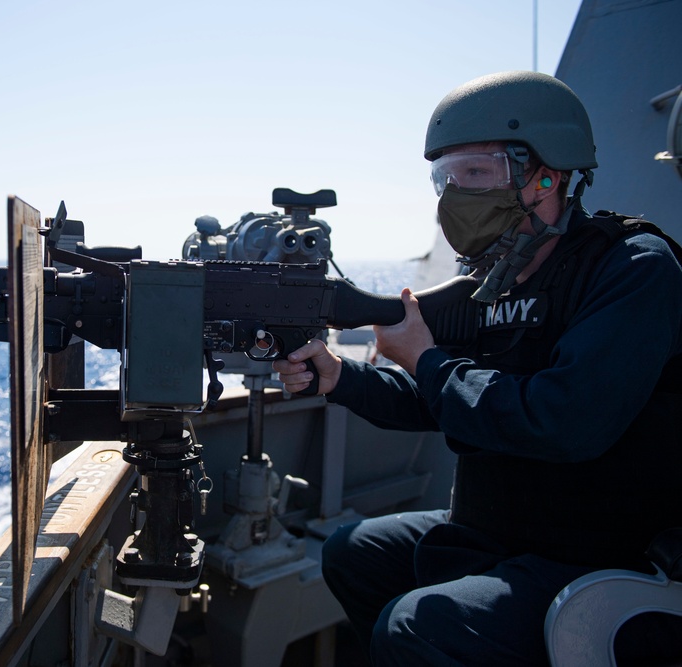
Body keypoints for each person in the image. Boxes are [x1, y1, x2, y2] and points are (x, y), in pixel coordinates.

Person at [273, 70, 682, 666]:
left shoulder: (633, 269)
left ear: (548, 175)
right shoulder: (497, 279)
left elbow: (562, 422)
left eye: (477, 173)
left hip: (602, 551)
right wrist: (341, 376)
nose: (454, 194)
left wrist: (427, 360)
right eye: (446, 177)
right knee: (352, 552)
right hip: (505, 526)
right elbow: (445, 398)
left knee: (417, 629)